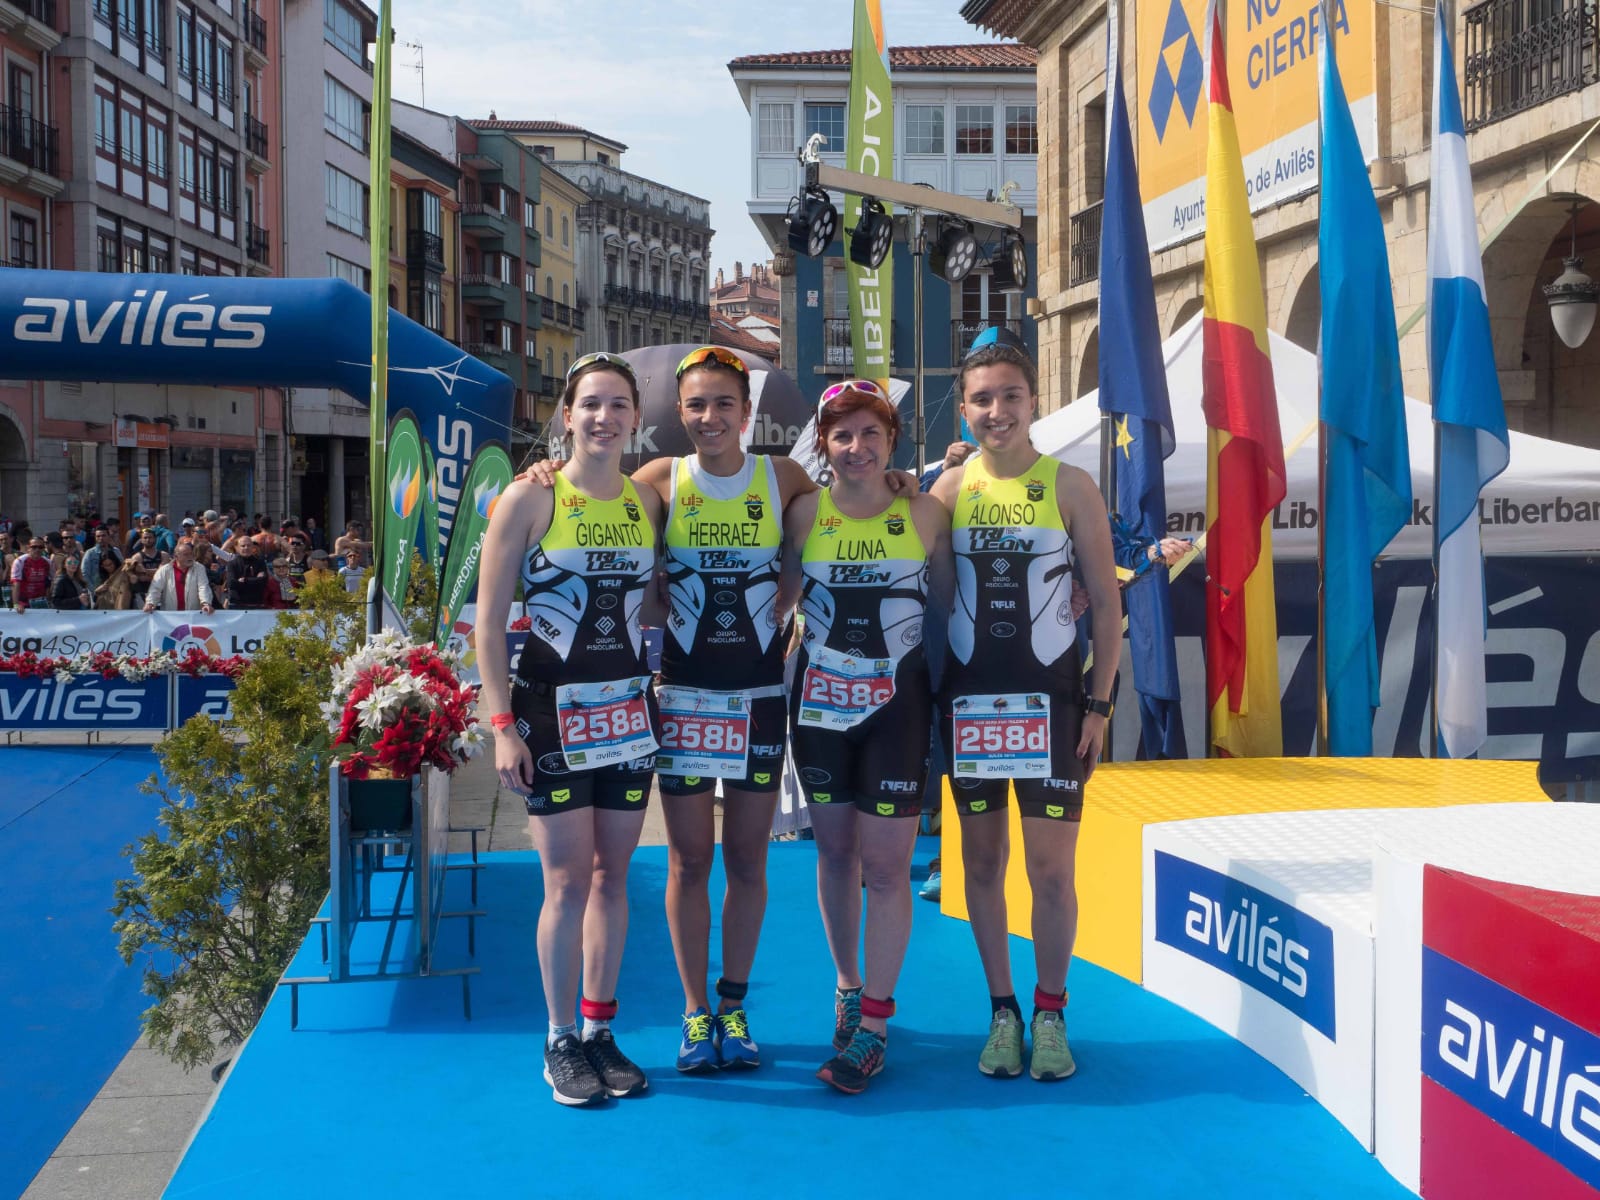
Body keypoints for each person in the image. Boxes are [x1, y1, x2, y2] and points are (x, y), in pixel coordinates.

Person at [526, 345, 820, 1073]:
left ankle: (735, 1004)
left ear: (748, 413)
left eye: (725, 403)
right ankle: (694, 1016)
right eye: (696, 404)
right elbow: (592, 507)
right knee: (689, 862)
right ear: (678, 413)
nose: (711, 416)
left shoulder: (781, 477)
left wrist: (911, 482)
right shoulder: (658, 480)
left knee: (749, 862)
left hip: (756, 700)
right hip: (681, 699)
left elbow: (850, 509)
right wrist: (542, 475)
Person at [928, 340, 1121, 1084]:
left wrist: (1100, 705)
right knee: (981, 865)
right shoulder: (947, 490)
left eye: (1010, 395)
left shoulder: (1070, 486)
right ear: (966, 407)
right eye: (982, 399)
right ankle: (1002, 1010)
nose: (996, 411)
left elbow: (1106, 604)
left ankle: (1050, 1013)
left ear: (1033, 400)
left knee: (1050, 872)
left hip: (1055, 707)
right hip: (972, 706)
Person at [476, 351, 665, 1107]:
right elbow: (489, 625)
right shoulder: (527, 499)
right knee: (564, 882)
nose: (604, 418)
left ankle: (598, 1028)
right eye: (590, 404)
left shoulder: (646, 501)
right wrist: (501, 728)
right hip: (548, 711)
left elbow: (650, 605)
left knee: (613, 878)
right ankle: (558, 1038)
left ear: (636, 421)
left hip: (627, 712)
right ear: (566, 414)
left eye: (618, 405)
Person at [780, 380, 953, 1094]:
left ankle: (875, 1024)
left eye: (870, 435)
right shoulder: (800, 513)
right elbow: (776, 598)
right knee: (835, 857)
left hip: (897, 712)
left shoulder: (926, 512)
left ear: (893, 441)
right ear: (823, 443)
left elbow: (955, 602)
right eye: (842, 435)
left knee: (886, 869)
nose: (857, 448)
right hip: (818, 709)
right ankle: (848, 987)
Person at [143, 541, 215, 613]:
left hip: (192, 615)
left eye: (191, 554)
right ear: (176, 557)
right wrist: (150, 603)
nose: (190, 557)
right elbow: (155, 588)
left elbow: (203, 587)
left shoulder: (199, 568)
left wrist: (205, 603)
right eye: (186, 555)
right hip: (170, 616)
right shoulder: (164, 570)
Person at [223, 534, 269, 609]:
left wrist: (244, 580)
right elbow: (231, 584)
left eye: (248, 545)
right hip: (236, 605)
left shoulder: (260, 562)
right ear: (237, 548)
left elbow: (263, 582)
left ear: (253, 547)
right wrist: (255, 581)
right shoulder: (232, 564)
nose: (246, 548)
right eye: (243, 546)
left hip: (256, 604)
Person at [11, 537, 51, 611]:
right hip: (24, 604)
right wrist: (16, 604)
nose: (37, 550)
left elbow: (51, 582)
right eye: (34, 547)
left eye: (40, 547)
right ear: (28, 548)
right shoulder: (19, 562)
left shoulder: (48, 562)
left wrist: (50, 601)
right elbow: (15, 584)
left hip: (42, 603)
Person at [82, 525, 123, 594]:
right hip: (97, 591)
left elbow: (122, 569)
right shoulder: (89, 553)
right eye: (98, 536)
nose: (101, 538)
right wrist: (94, 591)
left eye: (103, 535)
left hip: (116, 590)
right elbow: (85, 574)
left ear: (108, 536)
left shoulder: (116, 551)